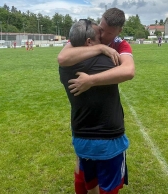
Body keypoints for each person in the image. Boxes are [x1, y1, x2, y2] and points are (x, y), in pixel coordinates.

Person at [57, 8, 134, 194]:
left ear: (118, 31)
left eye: (109, 33)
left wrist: (90, 80)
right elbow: (62, 57)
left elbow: (128, 71)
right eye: (101, 29)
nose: (104, 35)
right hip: (107, 134)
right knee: (98, 177)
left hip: (82, 128)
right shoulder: (95, 45)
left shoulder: (120, 45)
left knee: (85, 172)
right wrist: (100, 48)